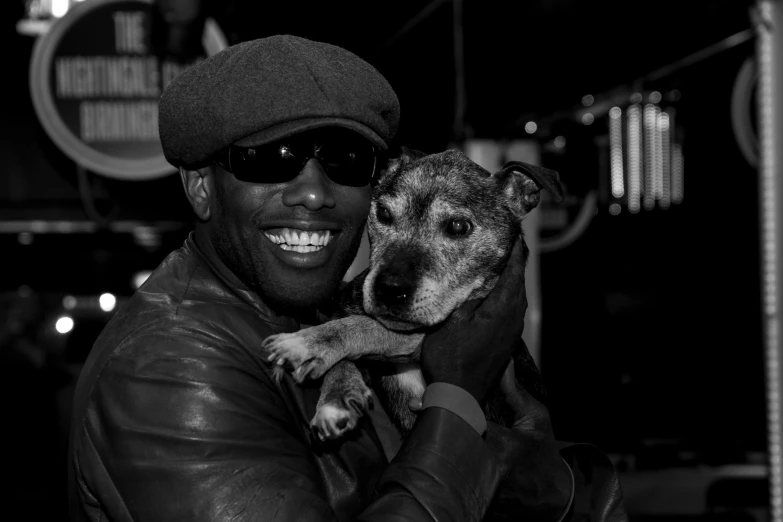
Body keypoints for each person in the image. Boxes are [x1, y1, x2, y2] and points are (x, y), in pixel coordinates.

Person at [68, 34, 627, 521]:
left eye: (347, 160)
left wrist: (562, 482)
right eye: (271, 157)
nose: (313, 191)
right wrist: (456, 399)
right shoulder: (171, 371)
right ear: (201, 188)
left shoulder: (306, 312)